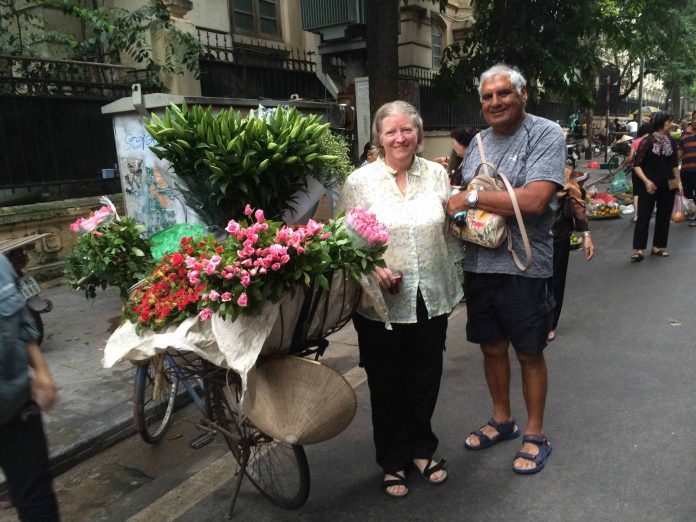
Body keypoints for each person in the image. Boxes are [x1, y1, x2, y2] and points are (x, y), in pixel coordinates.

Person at [338, 101, 462, 498]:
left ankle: (422, 449)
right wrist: (373, 268)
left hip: (431, 295)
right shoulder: (360, 182)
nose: (400, 138)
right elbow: (348, 241)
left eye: (407, 130)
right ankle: (393, 460)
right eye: (391, 131)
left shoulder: (438, 175)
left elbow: (448, 235)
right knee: (386, 382)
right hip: (380, 303)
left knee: (425, 377)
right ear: (379, 137)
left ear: (419, 134)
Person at [447, 64, 564, 474]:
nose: (495, 102)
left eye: (503, 93)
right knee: (491, 347)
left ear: (522, 94)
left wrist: (473, 198)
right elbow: (460, 198)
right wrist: (462, 200)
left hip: (525, 264)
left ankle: (535, 432)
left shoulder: (546, 134)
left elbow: (534, 200)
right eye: (487, 96)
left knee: (529, 352)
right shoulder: (478, 140)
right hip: (480, 261)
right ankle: (502, 419)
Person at [0, 253, 60, 521]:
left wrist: (42, 372)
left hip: (17, 403)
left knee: (38, 499)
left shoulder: (1, 266)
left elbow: (23, 323)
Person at [548, 167, 594, 342]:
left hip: (558, 233)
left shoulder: (564, 171)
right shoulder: (525, 162)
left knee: (556, 280)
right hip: (529, 236)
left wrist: (586, 235)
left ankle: (550, 323)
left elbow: (576, 201)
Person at [631, 111, 684, 261]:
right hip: (648, 185)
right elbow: (636, 165)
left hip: (668, 184)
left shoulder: (671, 142)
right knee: (644, 216)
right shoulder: (647, 141)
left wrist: (678, 182)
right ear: (661, 123)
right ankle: (639, 249)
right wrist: (647, 181)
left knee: (664, 216)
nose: (671, 124)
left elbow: (674, 164)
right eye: (668, 122)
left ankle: (657, 246)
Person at [627, 123, 652, 221]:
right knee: (648, 190)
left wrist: (626, 163)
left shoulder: (635, 141)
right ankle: (647, 212)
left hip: (636, 169)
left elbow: (630, 158)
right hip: (648, 169)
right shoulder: (652, 141)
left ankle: (637, 214)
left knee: (637, 192)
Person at [677, 110, 696, 226]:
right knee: (688, 194)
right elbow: (680, 152)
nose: (695, 121)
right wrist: (673, 164)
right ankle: (691, 213)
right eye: (694, 118)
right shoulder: (684, 134)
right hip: (686, 170)